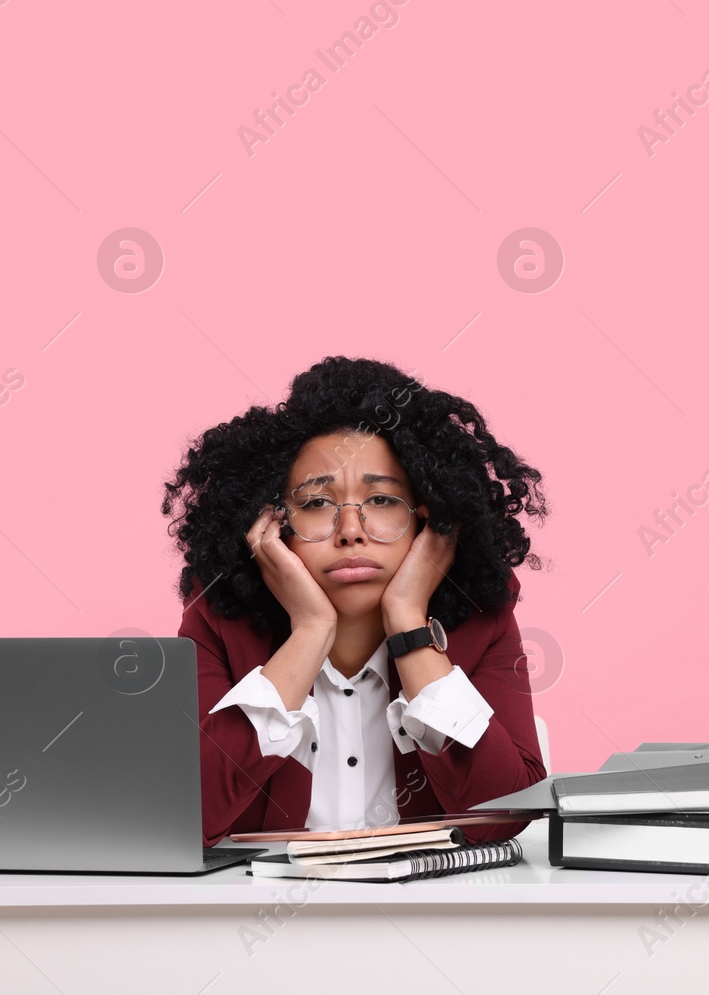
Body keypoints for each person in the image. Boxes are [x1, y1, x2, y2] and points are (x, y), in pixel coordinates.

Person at [162, 357, 552, 846]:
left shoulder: (481, 619)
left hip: (431, 914)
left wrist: (409, 624)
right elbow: (183, 820)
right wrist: (310, 631)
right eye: (316, 504)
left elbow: (506, 815)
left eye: (383, 501)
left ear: (428, 522)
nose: (351, 532)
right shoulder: (220, 619)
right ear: (274, 525)